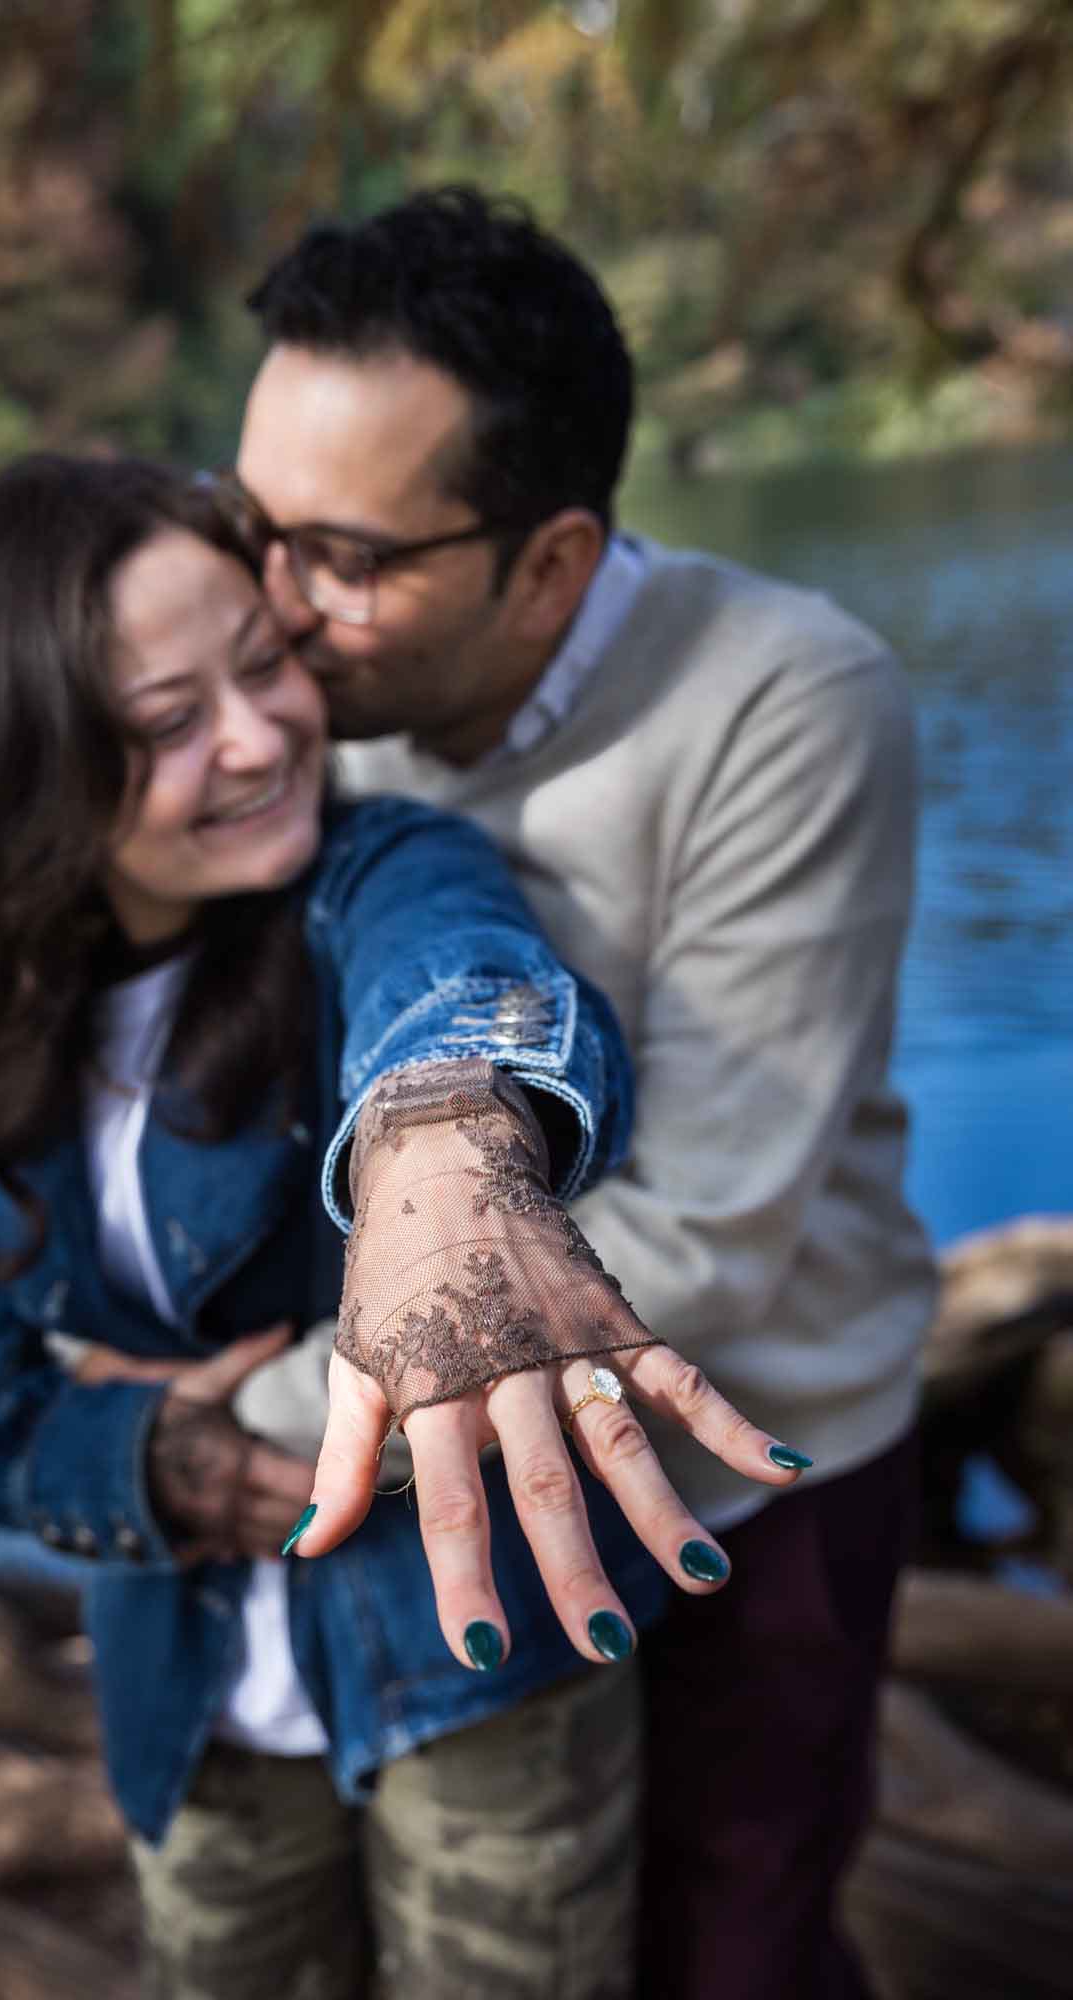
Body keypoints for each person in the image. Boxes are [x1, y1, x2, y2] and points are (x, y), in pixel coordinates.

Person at [0, 451, 803, 2000]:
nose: (259, 742)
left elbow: (458, 974)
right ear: (33, 769)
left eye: (264, 667)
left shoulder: (380, 868)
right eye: (168, 725)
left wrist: (443, 1139)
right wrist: (148, 1466)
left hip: (484, 1661)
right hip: (182, 1699)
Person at [227, 184, 939, 2000]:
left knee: (731, 1939)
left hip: (736, 1472)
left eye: (345, 555)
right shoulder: (299, 701)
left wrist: (244, 1425)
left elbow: (706, 1229)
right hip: (421, 1453)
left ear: (544, 562)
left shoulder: (783, 700)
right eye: (255, 532)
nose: (278, 611)